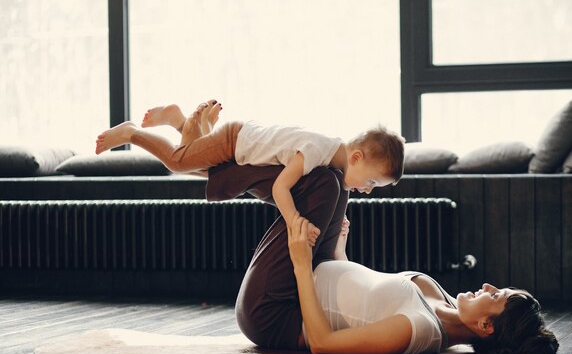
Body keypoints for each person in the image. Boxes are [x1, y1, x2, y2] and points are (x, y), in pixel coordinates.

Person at [202, 162, 559, 354]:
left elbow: (323, 342)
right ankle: (221, 169)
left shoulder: (418, 330)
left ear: (486, 327)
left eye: (495, 296)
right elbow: (359, 302)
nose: (487, 286)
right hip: (313, 270)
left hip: (274, 311)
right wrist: (340, 249)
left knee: (324, 183)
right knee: (339, 177)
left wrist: (299, 263)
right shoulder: (439, 295)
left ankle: (213, 168)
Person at [95, 100, 405, 245]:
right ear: (356, 156)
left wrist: (340, 220)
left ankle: (185, 124)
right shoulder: (318, 151)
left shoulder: (337, 164)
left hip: (243, 150)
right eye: (372, 182)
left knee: (202, 172)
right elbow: (282, 188)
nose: (368, 189)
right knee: (178, 162)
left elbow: (342, 194)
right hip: (235, 141)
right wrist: (295, 220)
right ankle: (132, 132)